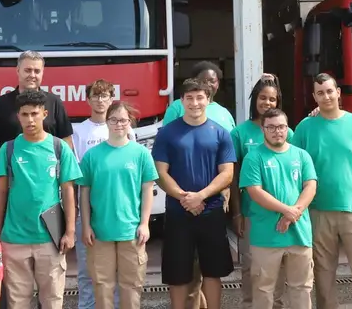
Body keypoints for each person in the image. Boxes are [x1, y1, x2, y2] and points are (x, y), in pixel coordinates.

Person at [290, 74, 352, 309]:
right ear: (314, 97)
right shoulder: (305, 127)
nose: (326, 96)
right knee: (323, 273)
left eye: (329, 91)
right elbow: (293, 166)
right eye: (320, 93)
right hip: (317, 211)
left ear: (338, 93)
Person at [151, 77, 237, 309]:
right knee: (177, 273)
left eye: (200, 97)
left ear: (208, 100)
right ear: (181, 101)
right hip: (178, 212)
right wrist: (184, 197)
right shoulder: (167, 133)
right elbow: (160, 173)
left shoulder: (221, 133)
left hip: (211, 211)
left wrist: (201, 196)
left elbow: (227, 174)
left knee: (213, 271)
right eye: (189, 98)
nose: (195, 103)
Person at [0, 89, 83, 309]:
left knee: (52, 301)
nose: (30, 120)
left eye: (34, 114)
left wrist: (70, 231)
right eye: (25, 114)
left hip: (50, 238)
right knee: (17, 303)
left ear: (44, 114)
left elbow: (69, 191)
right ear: (18, 116)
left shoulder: (59, 147)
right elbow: (1, 192)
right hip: (14, 238)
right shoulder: (8, 149)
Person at [79, 101, 158, 309]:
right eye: (113, 120)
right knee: (102, 286)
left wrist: (145, 223)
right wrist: (86, 226)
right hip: (100, 232)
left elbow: (147, 189)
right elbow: (84, 192)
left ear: (130, 122)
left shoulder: (141, 154)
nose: (118, 124)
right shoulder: (92, 155)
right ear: (107, 122)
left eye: (123, 120)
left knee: (131, 286)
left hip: (131, 232)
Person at [239, 108, 318, 309]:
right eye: (271, 127)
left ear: (287, 128)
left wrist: (291, 215)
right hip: (266, 236)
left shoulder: (301, 155)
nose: (277, 131)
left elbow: (310, 186)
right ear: (263, 130)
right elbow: (255, 191)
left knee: (302, 288)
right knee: (263, 290)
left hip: (299, 234)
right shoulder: (253, 157)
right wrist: (287, 210)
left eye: (281, 127)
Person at [73, 80, 132, 309]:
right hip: (89, 209)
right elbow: (77, 175)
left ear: (111, 98)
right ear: (88, 100)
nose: (100, 100)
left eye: (105, 95)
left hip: (118, 211)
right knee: (87, 270)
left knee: (116, 270)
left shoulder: (123, 129)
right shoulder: (78, 131)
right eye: (95, 96)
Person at [230, 76, 286, 309]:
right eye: (263, 98)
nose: (267, 103)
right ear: (254, 99)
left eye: (272, 99)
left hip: (279, 213)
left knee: (279, 266)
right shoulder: (240, 133)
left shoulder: (287, 132)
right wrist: (237, 213)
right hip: (251, 212)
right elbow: (233, 176)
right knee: (251, 267)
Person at [0, 51, 75, 172]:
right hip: (11, 182)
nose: (32, 75)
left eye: (37, 71)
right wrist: (8, 174)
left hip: (48, 179)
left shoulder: (54, 102)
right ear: (17, 70)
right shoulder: (0, 104)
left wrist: (55, 173)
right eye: (28, 70)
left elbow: (67, 145)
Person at [162, 61, 236, 131]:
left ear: (218, 84)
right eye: (203, 81)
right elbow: (165, 136)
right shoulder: (177, 107)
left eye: (212, 81)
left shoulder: (224, 112)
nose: (208, 84)